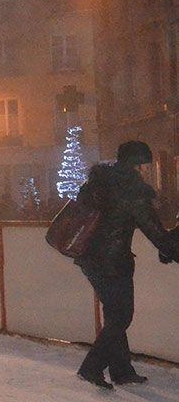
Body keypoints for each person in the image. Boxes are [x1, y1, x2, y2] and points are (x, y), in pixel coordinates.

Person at [73, 141, 179, 389]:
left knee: (114, 315)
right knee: (121, 316)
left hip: (90, 257)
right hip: (112, 262)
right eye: (144, 165)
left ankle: (121, 370)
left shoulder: (102, 180)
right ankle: (91, 367)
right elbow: (154, 231)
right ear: (137, 164)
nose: (145, 171)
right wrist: (171, 248)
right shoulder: (131, 190)